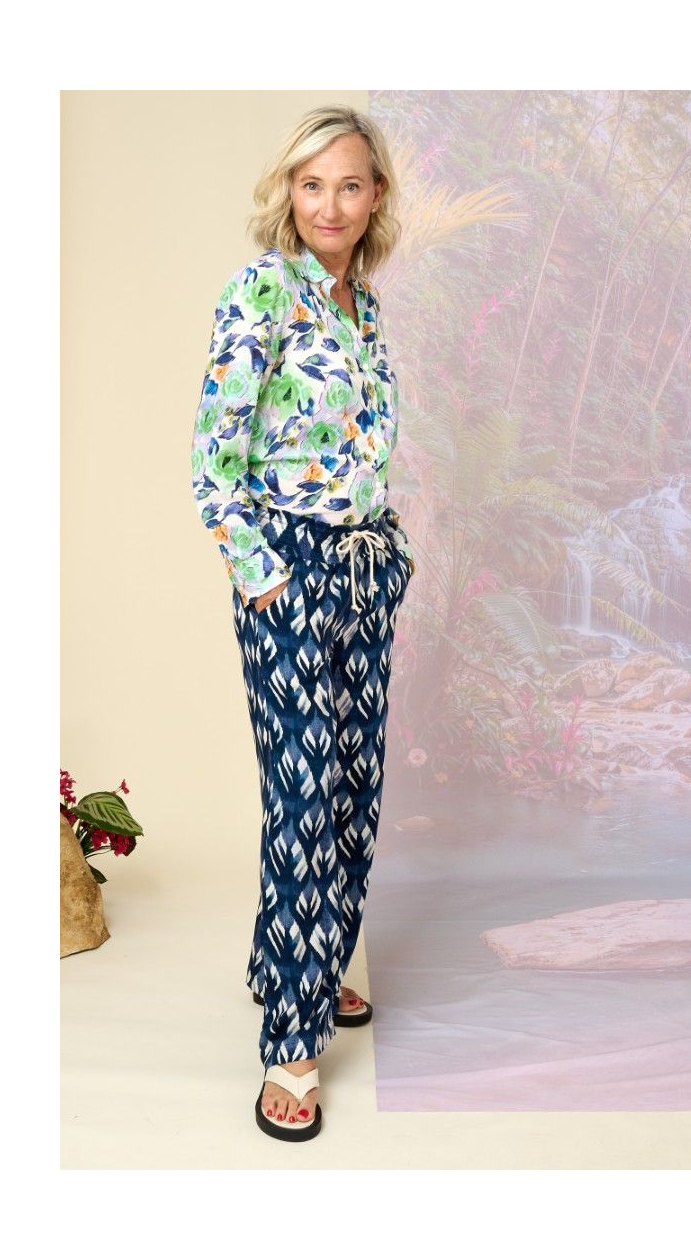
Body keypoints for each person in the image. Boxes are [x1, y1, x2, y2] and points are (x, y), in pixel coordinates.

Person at [190, 104, 415, 1141]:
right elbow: (214, 460)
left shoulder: (365, 310)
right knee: (304, 797)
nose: (330, 204)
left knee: (355, 791)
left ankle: (308, 964)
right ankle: (292, 1039)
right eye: (312, 184)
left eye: (350, 185)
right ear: (290, 191)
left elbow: (363, 455)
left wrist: (390, 554)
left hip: (364, 570)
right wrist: (263, 578)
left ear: (375, 198)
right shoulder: (260, 292)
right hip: (287, 570)